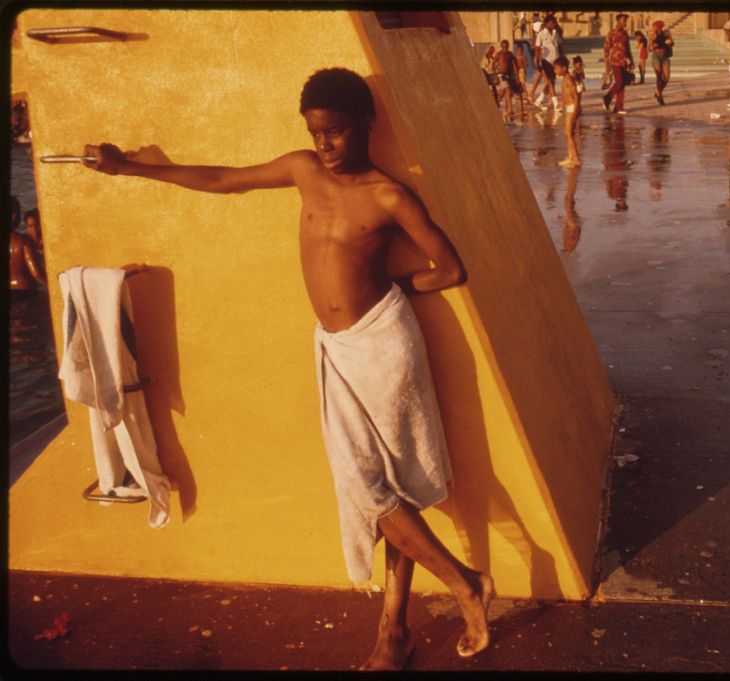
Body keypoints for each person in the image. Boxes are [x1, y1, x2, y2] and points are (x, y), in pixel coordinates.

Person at [82, 68, 493, 671]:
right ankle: (400, 631)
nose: (325, 145)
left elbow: (450, 269)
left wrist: (399, 284)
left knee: (382, 487)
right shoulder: (303, 170)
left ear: (365, 126)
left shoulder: (390, 196)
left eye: (336, 132)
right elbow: (224, 180)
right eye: (316, 133)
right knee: (377, 489)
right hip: (335, 349)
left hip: (384, 346)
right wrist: (131, 168)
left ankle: (457, 593)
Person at [9, 197, 46, 292]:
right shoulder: (24, 240)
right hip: (26, 290)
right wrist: (52, 287)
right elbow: (37, 274)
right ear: (14, 216)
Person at [530, 14, 563, 113]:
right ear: (547, 23)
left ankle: (539, 100)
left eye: (554, 23)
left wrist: (562, 57)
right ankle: (556, 104)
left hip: (555, 60)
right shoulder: (541, 34)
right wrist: (537, 60)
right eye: (552, 23)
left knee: (551, 82)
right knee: (549, 81)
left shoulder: (555, 32)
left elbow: (559, 46)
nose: (553, 24)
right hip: (545, 60)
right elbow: (537, 47)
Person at [603, 13, 634, 115]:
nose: (625, 22)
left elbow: (628, 49)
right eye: (623, 20)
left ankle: (618, 107)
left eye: (626, 20)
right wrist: (607, 66)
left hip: (623, 62)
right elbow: (606, 50)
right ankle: (607, 98)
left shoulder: (625, 34)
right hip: (615, 62)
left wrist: (632, 61)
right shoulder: (611, 33)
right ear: (618, 21)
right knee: (619, 82)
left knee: (622, 84)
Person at [554, 56, 581, 168]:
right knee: (568, 133)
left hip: (573, 107)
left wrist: (575, 110)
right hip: (569, 107)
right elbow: (567, 95)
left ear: (564, 68)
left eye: (556, 68)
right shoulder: (565, 79)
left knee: (569, 133)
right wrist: (562, 103)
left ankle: (576, 158)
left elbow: (575, 96)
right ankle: (571, 156)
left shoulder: (569, 79)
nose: (555, 70)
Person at [493, 39, 522, 122]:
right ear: (501, 47)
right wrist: (495, 76)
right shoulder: (498, 54)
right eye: (503, 47)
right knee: (507, 90)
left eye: (506, 47)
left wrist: (517, 77)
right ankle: (509, 110)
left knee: (503, 93)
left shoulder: (510, 55)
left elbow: (514, 66)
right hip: (501, 75)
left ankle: (496, 105)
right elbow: (493, 65)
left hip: (508, 76)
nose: (505, 48)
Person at [649, 20, 674, 106]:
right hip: (656, 55)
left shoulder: (666, 33)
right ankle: (660, 96)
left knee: (666, 78)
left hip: (665, 56)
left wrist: (670, 42)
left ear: (659, 26)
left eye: (654, 26)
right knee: (659, 76)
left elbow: (672, 43)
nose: (653, 28)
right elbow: (649, 48)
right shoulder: (652, 35)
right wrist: (652, 45)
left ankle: (657, 92)